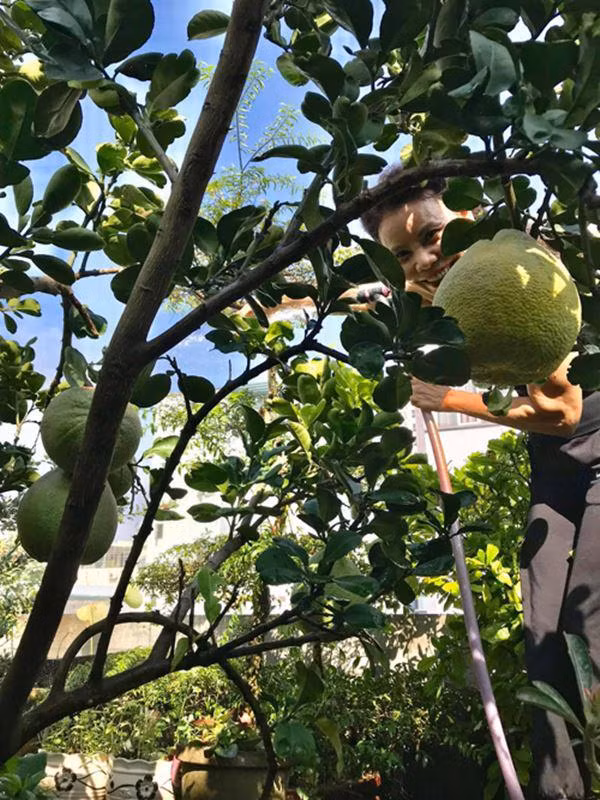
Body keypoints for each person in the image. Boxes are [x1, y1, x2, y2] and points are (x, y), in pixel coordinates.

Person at [361, 167, 600, 800]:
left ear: (469, 216)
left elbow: (563, 412)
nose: (424, 259)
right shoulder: (445, 296)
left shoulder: (515, 275)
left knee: (589, 622)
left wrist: (449, 399)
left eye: (433, 236)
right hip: (555, 463)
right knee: (541, 633)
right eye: (404, 255)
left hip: (594, 439)